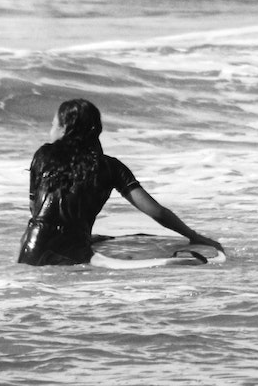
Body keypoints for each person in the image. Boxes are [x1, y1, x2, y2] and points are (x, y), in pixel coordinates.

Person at [17, 97, 219, 265]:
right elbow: (156, 212)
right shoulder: (110, 167)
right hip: (74, 251)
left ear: (64, 129)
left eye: (53, 125)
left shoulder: (43, 156)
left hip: (33, 247)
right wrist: (193, 236)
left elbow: (36, 209)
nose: (51, 130)